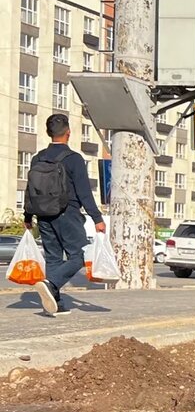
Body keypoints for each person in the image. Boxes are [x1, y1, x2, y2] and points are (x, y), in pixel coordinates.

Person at [23, 113, 105, 316]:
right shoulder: (74, 159)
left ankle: (55, 304)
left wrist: (28, 216)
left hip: (43, 215)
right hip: (67, 213)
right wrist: (97, 218)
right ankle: (50, 284)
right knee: (80, 255)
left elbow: (30, 189)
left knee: (53, 258)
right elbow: (84, 192)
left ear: (48, 132)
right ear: (68, 132)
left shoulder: (38, 158)